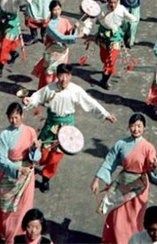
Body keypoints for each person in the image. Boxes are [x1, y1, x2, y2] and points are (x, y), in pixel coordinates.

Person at [23, 64, 115, 193]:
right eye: (61, 76)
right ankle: (32, 164)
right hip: (51, 125)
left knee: (56, 157)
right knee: (42, 153)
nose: (64, 79)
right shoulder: (49, 89)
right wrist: (29, 101)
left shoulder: (75, 90)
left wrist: (105, 114)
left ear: (70, 76)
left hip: (66, 129)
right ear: (57, 76)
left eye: (67, 76)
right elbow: (36, 97)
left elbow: (90, 102)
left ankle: (46, 178)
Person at [91, 114, 157, 244]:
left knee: (135, 221)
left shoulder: (148, 148)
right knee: (117, 218)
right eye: (133, 125)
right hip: (122, 183)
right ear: (129, 126)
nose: (136, 129)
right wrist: (96, 179)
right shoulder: (121, 144)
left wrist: (156, 168)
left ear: (144, 128)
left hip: (139, 187)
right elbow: (109, 161)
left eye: (139, 126)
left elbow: (154, 169)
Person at [0, 103, 40, 244]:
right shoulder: (4, 135)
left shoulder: (30, 132)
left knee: (24, 208)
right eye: (11, 118)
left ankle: (22, 237)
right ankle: (9, 237)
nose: (14, 121)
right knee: (8, 211)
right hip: (10, 176)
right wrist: (18, 168)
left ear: (22, 116)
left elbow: (36, 158)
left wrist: (35, 149)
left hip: (27, 176)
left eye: (16, 117)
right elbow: (2, 161)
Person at [32, 0, 82, 87]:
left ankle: (56, 89)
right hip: (52, 51)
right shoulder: (50, 25)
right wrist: (76, 36)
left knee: (59, 73)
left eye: (58, 9)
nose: (57, 12)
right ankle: (46, 89)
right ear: (51, 11)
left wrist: (74, 29)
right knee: (49, 73)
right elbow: (60, 37)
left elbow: (69, 33)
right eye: (55, 10)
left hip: (63, 51)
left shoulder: (65, 21)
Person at [96, 0, 137, 89]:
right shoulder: (101, 9)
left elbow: (131, 18)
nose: (113, 5)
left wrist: (132, 20)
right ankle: (106, 69)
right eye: (110, 2)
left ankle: (104, 80)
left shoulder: (121, 9)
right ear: (107, 1)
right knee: (104, 58)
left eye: (115, 2)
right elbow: (93, 19)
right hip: (103, 37)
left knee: (111, 60)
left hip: (115, 38)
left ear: (118, 1)